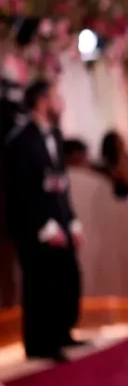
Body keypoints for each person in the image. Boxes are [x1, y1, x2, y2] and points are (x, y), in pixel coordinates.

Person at [3, 79, 85, 362]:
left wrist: (72, 221)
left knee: (66, 278)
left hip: (59, 219)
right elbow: (21, 190)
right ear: (41, 102)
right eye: (54, 97)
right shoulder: (20, 140)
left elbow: (61, 183)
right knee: (40, 284)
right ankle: (40, 343)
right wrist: (45, 226)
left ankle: (62, 333)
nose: (60, 103)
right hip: (32, 226)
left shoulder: (56, 136)